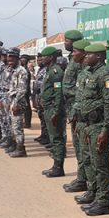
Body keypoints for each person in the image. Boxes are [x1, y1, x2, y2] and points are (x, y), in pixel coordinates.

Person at [75, 43, 109, 216]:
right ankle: (96, 195)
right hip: (88, 125)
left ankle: (104, 202)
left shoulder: (105, 75)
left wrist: (106, 130)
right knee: (92, 162)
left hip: (99, 125)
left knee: (101, 165)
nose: (85, 57)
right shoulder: (89, 73)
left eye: (88, 55)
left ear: (98, 56)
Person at [62, 30, 90, 193]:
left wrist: (73, 97)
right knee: (78, 146)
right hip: (73, 107)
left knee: (82, 147)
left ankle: (84, 179)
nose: (65, 43)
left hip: (79, 108)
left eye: (67, 41)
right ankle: (82, 177)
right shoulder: (73, 59)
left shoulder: (82, 63)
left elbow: (82, 88)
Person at [40, 46, 67, 177]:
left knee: (57, 139)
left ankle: (58, 167)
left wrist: (56, 112)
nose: (41, 58)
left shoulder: (56, 72)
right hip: (48, 108)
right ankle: (55, 164)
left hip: (53, 109)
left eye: (44, 56)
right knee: (53, 137)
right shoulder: (49, 70)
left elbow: (58, 93)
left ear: (51, 57)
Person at [7, 48, 29, 158]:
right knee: (13, 126)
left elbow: (22, 90)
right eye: (8, 61)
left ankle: (21, 149)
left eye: (12, 60)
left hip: (19, 103)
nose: (10, 63)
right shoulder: (13, 70)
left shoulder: (22, 71)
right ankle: (16, 146)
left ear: (17, 59)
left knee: (17, 126)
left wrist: (15, 104)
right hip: (13, 101)